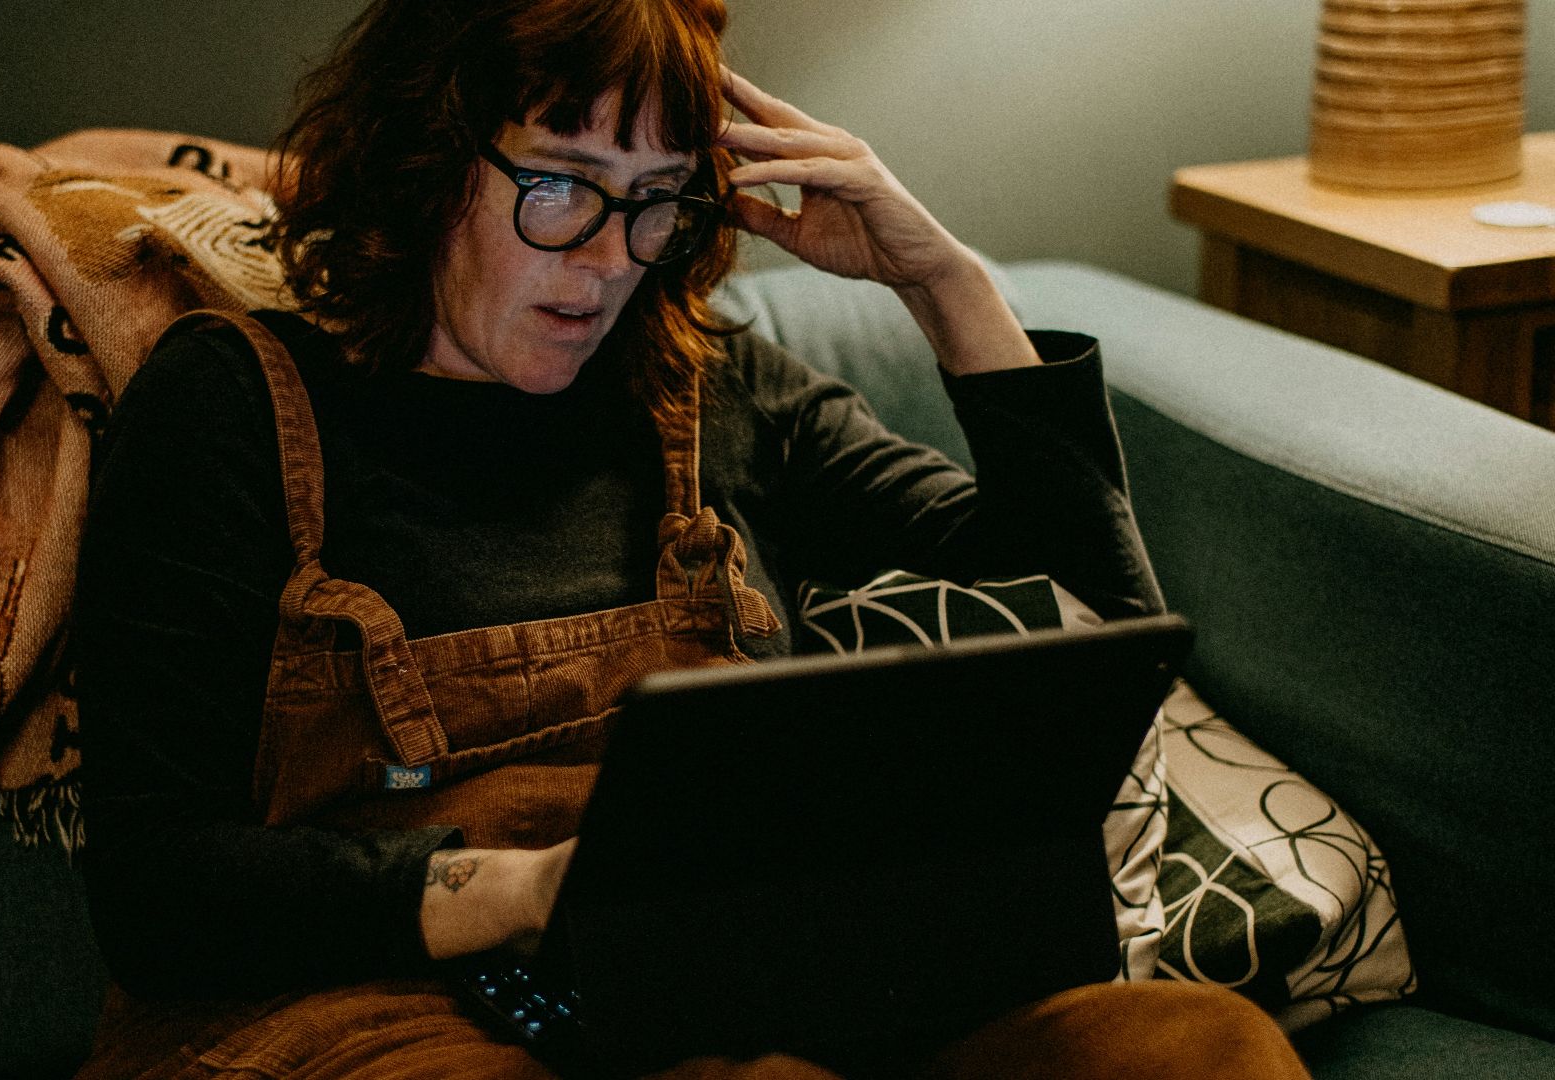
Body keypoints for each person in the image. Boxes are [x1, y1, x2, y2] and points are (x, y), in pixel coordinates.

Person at [69, 1, 1314, 1076]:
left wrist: (945, 282)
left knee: (1203, 1050)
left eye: (657, 201)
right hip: (361, 1005)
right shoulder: (232, 405)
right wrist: (526, 890)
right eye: (559, 184)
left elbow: (1089, 603)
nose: (611, 261)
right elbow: (160, 892)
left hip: (740, 989)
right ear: (429, 156)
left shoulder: (710, 387)